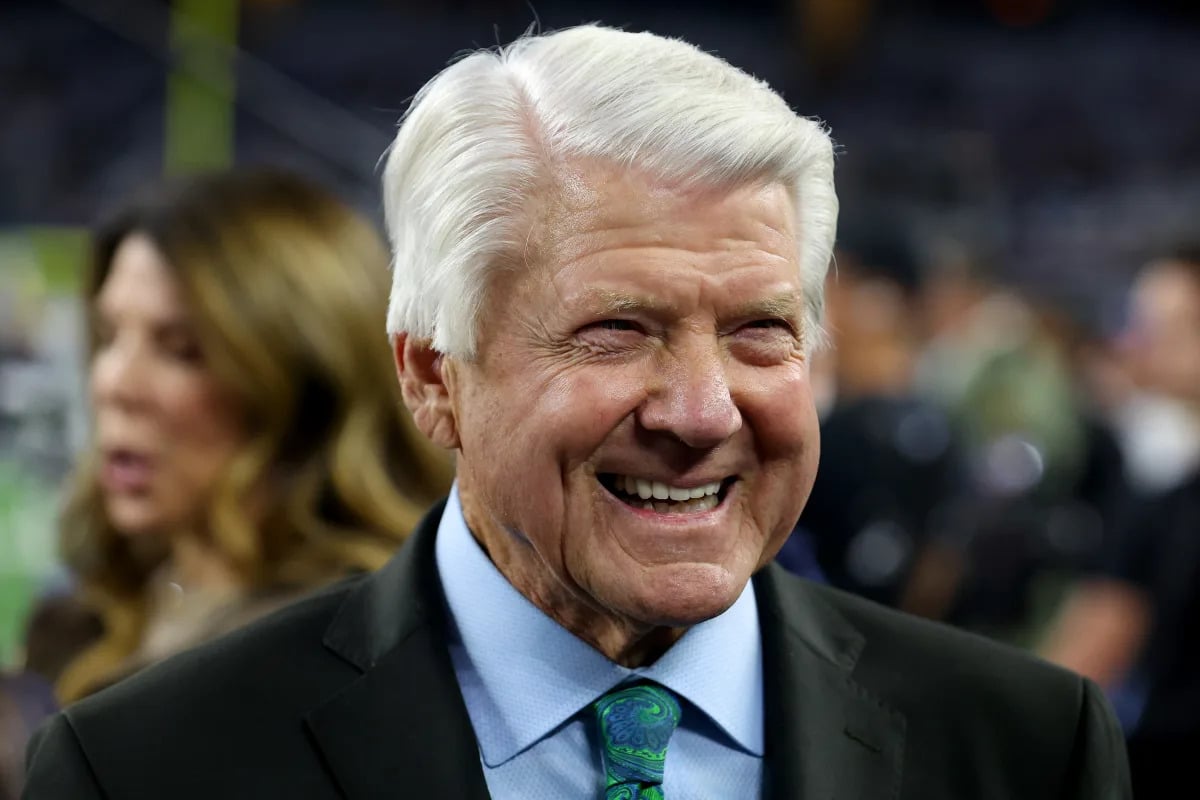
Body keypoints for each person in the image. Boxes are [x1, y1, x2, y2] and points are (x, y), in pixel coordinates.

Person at [24, 26, 1128, 799]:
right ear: (432, 375)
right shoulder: (145, 768)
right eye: (616, 331)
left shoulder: (1028, 750)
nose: (702, 411)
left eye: (760, 330)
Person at [26, 168, 452, 706]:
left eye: (181, 350)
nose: (113, 383)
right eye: (109, 336)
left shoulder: (358, 659)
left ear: (302, 385)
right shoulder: (85, 615)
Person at [1040, 247, 1200, 799]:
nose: (1134, 344)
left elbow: (1095, 644)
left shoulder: (1167, 493)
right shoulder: (1166, 478)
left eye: (1158, 327)